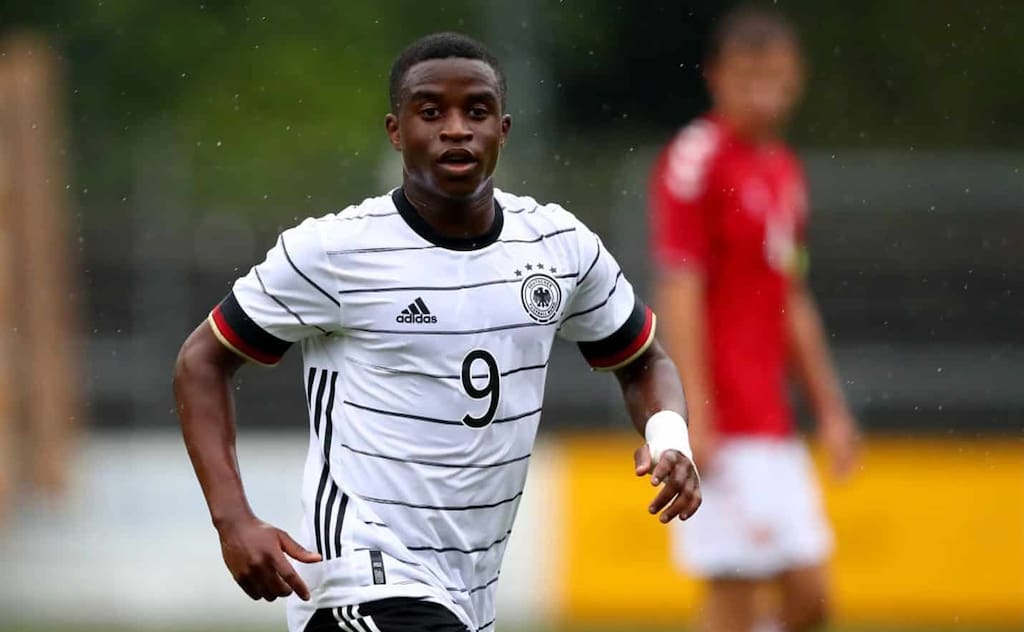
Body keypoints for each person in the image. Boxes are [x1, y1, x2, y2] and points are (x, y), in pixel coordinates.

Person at [174, 32, 700, 632]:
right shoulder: (336, 252)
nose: (455, 128)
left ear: (503, 129)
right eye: (431, 112)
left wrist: (670, 437)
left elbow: (643, 359)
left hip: (469, 594)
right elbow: (201, 361)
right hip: (361, 580)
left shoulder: (560, 249)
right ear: (396, 131)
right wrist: (233, 520)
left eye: (475, 111)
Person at [649, 6, 859, 632]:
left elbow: (789, 296)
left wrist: (830, 407)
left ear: (796, 78)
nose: (761, 92)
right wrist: (697, 413)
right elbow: (679, 287)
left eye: (773, 77)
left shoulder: (783, 170)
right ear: (716, 77)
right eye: (747, 77)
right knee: (734, 596)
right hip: (725, 423)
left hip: (771, 421)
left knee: (812, 600)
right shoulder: (697, 159)